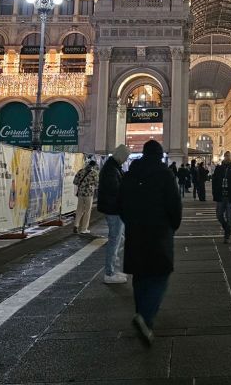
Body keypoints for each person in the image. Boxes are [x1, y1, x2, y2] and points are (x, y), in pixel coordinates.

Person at [118, 139, 182, 345]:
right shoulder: (165, 174)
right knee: (160, 275)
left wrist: (131, 222)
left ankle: (141, 315)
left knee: (140, 275)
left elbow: (121, 203)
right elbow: (175, 204)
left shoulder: (130, 174)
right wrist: (172, 225)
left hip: (135, 232)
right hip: (159, 232)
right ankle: (145, 317)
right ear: (160, 155)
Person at [97, 144, 131, 284]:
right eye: (125, 157)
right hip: (114, 209)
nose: (126, 160)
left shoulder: (113, 167)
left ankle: (113, 270)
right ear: (121, 156)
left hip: (114, 209)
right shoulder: (111, 169)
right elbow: (115, 190)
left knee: (118, 239)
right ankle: (109, 273)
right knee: (115, 240)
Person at [212, 151, 231, 243]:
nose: (227, 157)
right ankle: (226, 228)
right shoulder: (219, 168)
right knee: (219, 215)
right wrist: (214, 193)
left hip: (230, 195)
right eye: (226, 156)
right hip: (220, 195)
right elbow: (214, 181)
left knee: (229, 216)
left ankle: (227, 236)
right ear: (224, 157)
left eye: (229, 156)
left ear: (230, 157)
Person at [73, 158, 99, 234]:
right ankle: (84, 229)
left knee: (79, 210)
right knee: (87, 211)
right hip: (89, 194)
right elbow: (97, 184)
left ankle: (76, 225)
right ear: (94, 166)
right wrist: (91, 185)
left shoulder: (80, 171)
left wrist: (82, 185)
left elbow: (75, 182)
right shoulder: (94, 173)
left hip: (81, 193)